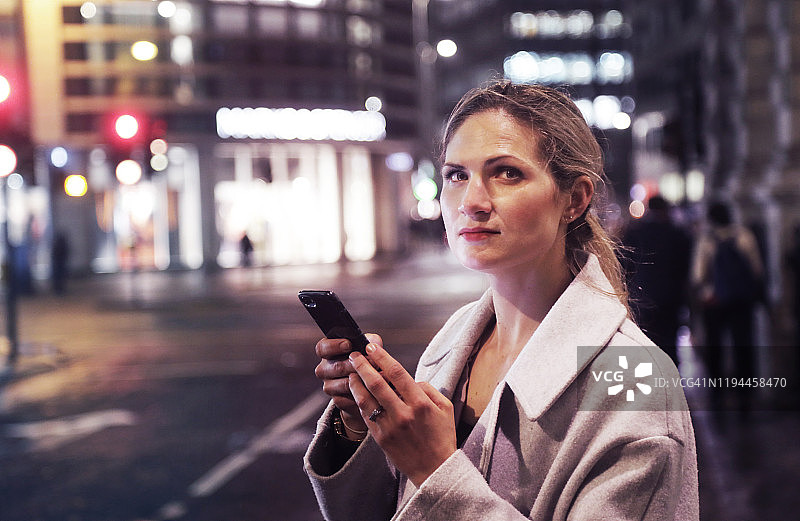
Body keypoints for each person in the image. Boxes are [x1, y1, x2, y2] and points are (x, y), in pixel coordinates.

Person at [304, 81, 698, 520]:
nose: (471, 202)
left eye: (507, 172)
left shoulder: (632, 380)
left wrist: (436, 471)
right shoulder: (452, 341)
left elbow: (432, 484)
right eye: (457, 175)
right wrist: (361, 425)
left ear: (575, 199)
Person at [692, 200, 763, 411]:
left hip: (714, 302)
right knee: (744, 346)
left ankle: (718, 393)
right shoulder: (745, 236)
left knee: (716, 348)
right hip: (741, 301)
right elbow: (757, 270)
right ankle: (745, 394)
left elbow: (698, 275)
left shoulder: (706, 240)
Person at [623, 195, 693, 365]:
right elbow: (686, 268)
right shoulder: (677, 234)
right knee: (669, 343)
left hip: (642, 297)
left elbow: (625, 266)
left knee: (646, 343)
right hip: (671, 298)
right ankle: (670, 380)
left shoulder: (635, 233)